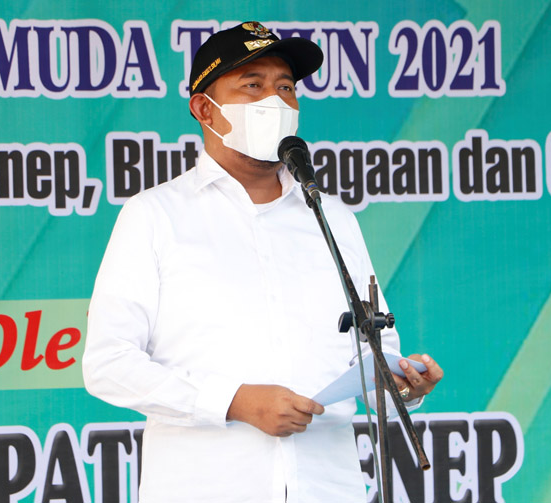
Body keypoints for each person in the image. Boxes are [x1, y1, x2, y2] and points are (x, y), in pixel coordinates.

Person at [83, 21, 443, 503]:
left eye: (286, 88)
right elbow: (109, 363)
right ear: (204, 109)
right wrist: (234, 402)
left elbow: (371, 352)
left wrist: (399, 383)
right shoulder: (155, 215)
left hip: (326, 488)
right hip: (206, 489)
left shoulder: (332, 217)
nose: (275, 101)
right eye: (253, 85)